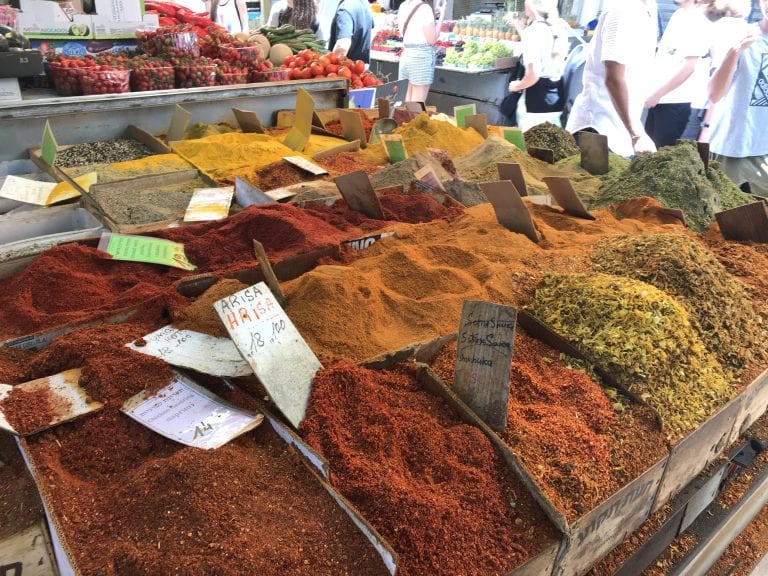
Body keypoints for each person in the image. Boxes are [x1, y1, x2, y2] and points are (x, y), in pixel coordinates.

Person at [565, 0, 658, 157]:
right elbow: (613, 78)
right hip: (599, 129)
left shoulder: (647, 10)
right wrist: (637, 133)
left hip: (618, 131)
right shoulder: (624, 10)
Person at [707, 0, 768, 196]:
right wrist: (735, 52)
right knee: (724, 221)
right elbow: (714, 94)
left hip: (763, 150)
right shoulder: (742, 35)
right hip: (734, 149)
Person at [644, 0, 713, 148]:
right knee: (647, 154)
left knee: (664, 157)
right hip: (660, 99)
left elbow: (689, 67)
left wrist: (658, 94)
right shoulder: (679, 14)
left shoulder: (698, 20)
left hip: (676, 101)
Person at [506, 0, 571, 130]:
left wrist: (516, 86)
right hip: (555, 99)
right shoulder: (560, 28)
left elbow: (533, 75)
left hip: (534, 104)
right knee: (549, 144)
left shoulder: (534, 32)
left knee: (528, 146)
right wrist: (519, 26)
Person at [397, 0, 446, 103]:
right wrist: (441, 15)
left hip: (406, 55)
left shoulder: (403, 5)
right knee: (416, 107)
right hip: (421, 57)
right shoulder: (425, 8)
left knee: (405, 105)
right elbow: (432, 39)